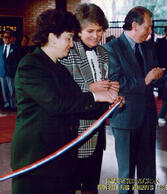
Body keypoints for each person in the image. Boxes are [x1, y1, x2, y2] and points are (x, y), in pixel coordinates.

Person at [11, 9, 119, 194]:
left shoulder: (59, 68)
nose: (71, 44)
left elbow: (77, 104)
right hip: (38, 159)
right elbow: (57, 103)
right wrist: (95, 96)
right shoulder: (31, 65)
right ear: (53, 37)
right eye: (68, 38)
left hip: (60, 159)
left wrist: (110, 103)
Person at [59, 3, 119, 194]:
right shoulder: (67, 52)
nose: (96, 35)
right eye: (90, 31)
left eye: (100, 30)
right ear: (78, 31)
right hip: (75, 131)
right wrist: (90, 89)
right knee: (70, 185)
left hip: (98, 130)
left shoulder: (103, 53)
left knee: (92, 186)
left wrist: (112, 93)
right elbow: (61, 91)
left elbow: (102, 85)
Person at [104, 6, 164, 194]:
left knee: (148, 174)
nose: (150, 31)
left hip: (147, 117)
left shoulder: (147, 47)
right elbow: (115, 82)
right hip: (125, 118)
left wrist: (158, 75)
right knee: (126, 174)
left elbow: (151, 75)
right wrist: (146, 79)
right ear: (134, 26)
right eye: (147, 27)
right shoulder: (111, 49)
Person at [0, 29, 20, 111]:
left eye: (8, 37)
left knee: (12, 91)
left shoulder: (15, 48)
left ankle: (13, 105)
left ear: (11, 38)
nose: (7, 39)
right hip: (2, 73)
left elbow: (17, 61)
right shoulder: (0, 48)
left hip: (11, 73)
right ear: (3, 38)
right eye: (5, 37)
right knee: (4, 91)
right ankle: (6, 104)